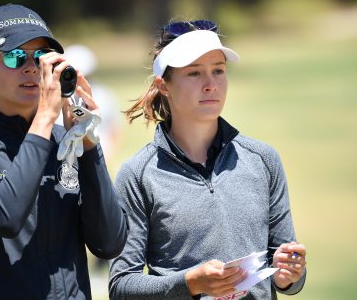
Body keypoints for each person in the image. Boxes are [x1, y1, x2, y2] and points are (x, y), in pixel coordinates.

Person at [0, 3, 127, 300]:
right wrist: (46, 117)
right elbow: (3, 217)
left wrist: (87, 143)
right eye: (15, 56)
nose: (31, 67)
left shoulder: (65, 143)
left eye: (42, 57)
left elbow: (109, 242)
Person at [108, 20, 307, 299]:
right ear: (164, 85)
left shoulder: (263, 160)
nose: (211, 84)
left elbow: (286, 272)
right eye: (194, 73)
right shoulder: (138, 174)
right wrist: (190, 283)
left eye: (218, 71)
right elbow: (121, 287)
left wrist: (290, 275)